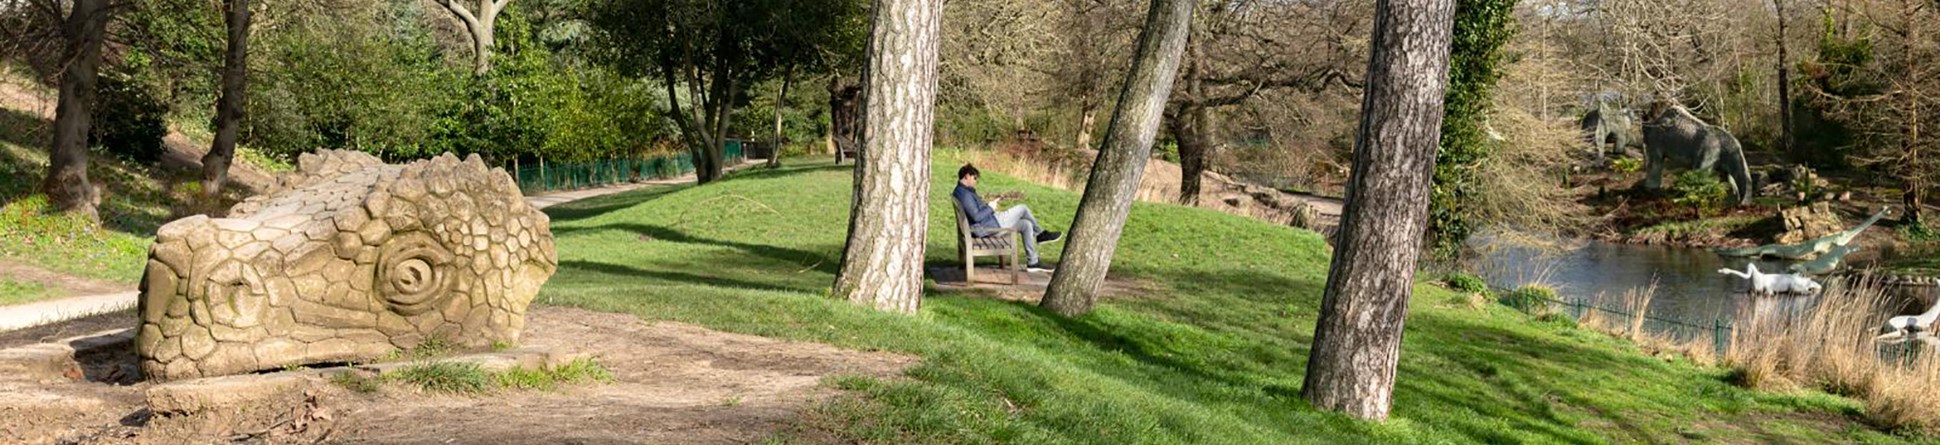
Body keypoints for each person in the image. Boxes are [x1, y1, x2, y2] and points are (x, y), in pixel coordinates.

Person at [952, 164, 1061, 272]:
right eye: (974, 178)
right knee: (1022, 208)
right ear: (966, 176)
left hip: (989, 222)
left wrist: (990, 205)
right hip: (990, 227)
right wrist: (990, 207)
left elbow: (976, 211)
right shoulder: (965, 195)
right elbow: (976, 217)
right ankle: (1041, 234)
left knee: (1026, 225)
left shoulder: (961, 191)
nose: (975, 181)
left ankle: (1033, 262)